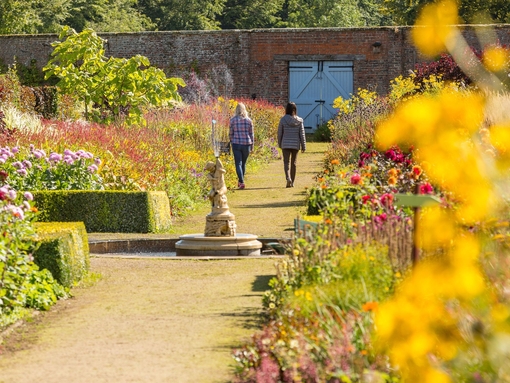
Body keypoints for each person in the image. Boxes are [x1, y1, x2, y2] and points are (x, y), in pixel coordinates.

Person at [277, 102, 306, 188]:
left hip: (285, 144)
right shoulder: (299, 121)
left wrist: (280, 143)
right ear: (294, 110)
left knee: (286, 162)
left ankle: (288, 178)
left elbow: (279, 133)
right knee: (294, 163)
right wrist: (303, 146)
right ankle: (292, 182)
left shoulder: (283, 120)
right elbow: (302, 134)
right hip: (295, 144)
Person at [229, 102, 254, 190]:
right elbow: (251, 134)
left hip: (236, 143)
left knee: (238, 163)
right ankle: (241, 181)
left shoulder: (232, 120)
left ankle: (241, 181)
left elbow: (231, 133)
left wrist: (231, 141)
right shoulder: (249, 121)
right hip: (246, 143)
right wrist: (252, 145)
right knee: (243, 163)